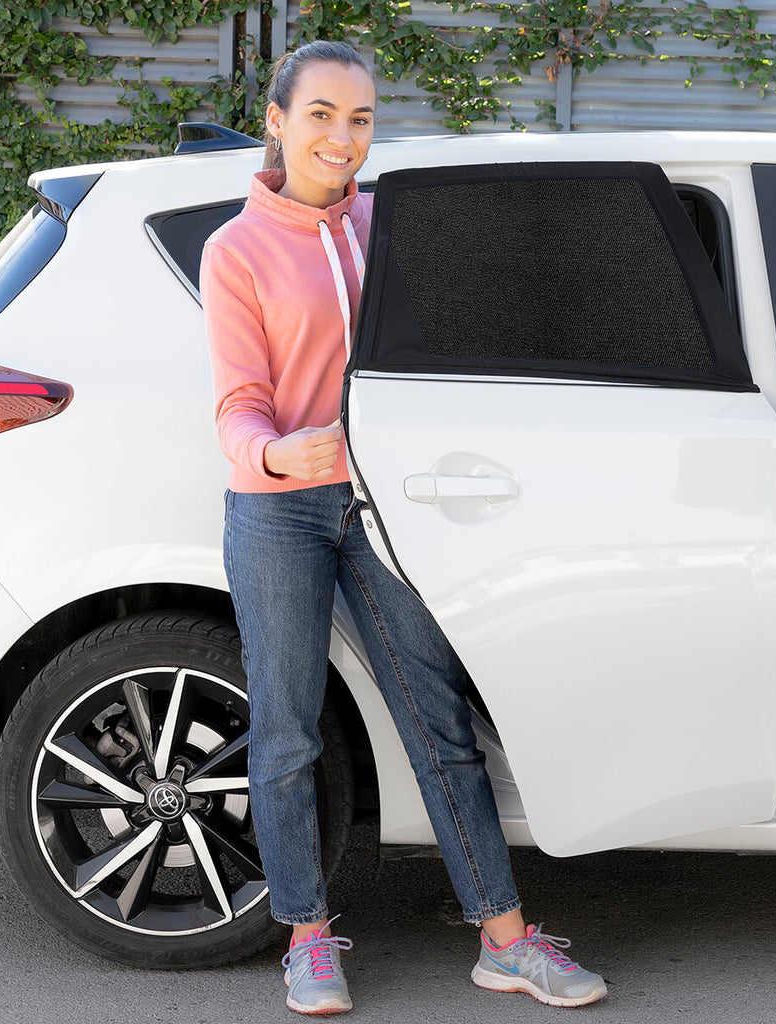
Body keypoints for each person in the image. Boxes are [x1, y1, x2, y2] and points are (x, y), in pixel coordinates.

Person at [199, 39, 607, 1015]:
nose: (342, 137)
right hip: (279, 509)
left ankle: (504, 940)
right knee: (287, 732)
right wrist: (273, 454)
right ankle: (306, 938)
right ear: (276, 120)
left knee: (437, 718)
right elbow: (237, 401)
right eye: (321, 115)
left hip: (389, 506)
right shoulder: (236, 249)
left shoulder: (390, 225)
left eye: (361, 119)